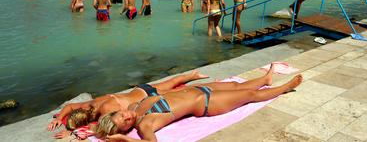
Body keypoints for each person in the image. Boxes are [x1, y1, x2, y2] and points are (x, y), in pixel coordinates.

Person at [95, 70, 303, 141]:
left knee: (232, 85)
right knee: (248, 94)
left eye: (121, 116)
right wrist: (122, 139)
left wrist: (93, 130)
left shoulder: (134, 104)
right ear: (126, 129)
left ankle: (265, 80)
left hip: (197, 90)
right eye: (124, 124)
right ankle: (285, 87)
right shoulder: (144, 125)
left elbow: (159, 92)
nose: (126, 118)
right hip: (205, 104)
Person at [47, 71, 209, 139]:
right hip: (140, 90)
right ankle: (193, 75)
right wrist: (59, 117)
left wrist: (72, 133)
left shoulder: (106, 112)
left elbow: (102, 130)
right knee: (173, 82)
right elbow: (69, 107)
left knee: (178, 91)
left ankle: (196, 81)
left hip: (148, 96)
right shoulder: (90, 103)